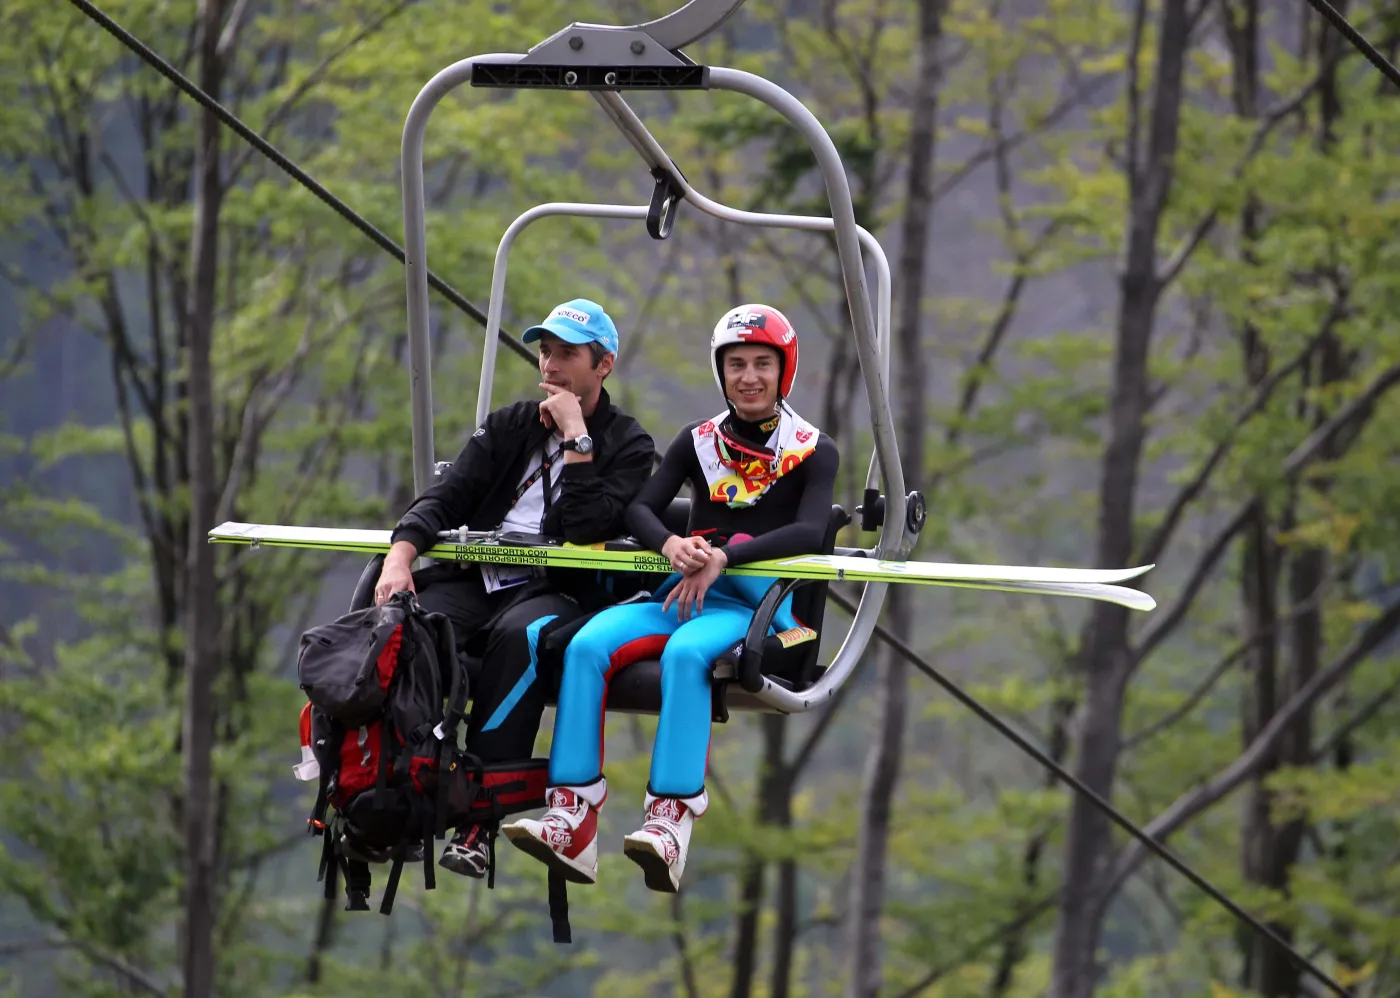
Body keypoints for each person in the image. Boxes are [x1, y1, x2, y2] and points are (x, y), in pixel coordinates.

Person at [502, 303, 838, 893]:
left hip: (754, 609)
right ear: (721, 371)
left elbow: (811, 531)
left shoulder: (812, 449)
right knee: (587, 644)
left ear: (783, 371)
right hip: (684, 592)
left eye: (763, 364)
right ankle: (572, 816)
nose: (749, 377)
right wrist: (673, 544)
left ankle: (671, 816)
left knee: (687, 655)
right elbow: (639, 508)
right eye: (737, 365)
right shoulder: (699, 441)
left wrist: (724, 557)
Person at [372, 297, 655, 879]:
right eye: (545, 353)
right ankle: (396, 796)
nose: (550, 367)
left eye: (567, 356)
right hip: (480, 578)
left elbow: (587, 531)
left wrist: (578, 441)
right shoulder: (509, 426)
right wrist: (399, 558)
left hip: (561, 590)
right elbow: (445, 497)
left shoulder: (630, 445)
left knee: (517, 639)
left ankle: (480, 816)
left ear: (603, 366)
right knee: (407, 626)